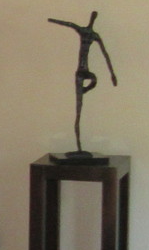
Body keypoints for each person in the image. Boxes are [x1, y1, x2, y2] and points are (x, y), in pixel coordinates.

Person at [48, 11, 117, 155]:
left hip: (86, 70)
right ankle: (78, 145)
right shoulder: (82, 30)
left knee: (94, 79)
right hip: (80, 71)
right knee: (78, 107)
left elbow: (105, 55)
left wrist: (112, 74)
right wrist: (50, 19)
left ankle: (86, 89)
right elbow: (68, 23)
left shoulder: (95, 36)